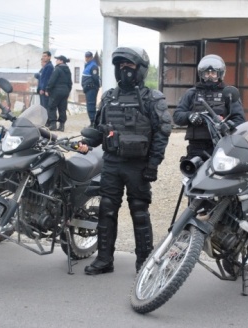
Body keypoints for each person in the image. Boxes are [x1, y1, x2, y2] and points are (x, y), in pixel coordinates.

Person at [76, 46, 172, 275]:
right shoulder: (109, 97)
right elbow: (99, 129)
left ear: (140, 70)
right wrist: (87, 144)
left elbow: (162, 132)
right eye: (121, 66)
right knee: (106, 210)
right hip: (111, 162)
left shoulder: (152, 98)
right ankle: (104, 260)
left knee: (139, 211)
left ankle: (144, 263)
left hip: (138, 165)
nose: (125, 70)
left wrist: (153, 164)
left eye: (130, 66)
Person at [172, 54, 246, 161]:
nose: (210, 76)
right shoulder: (191, 93)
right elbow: (177, 116)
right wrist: (190, 116)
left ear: (220, 74)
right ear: (201, 74)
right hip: (196, 147)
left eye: (213, 73)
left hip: (221, 144)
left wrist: (227, 125)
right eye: (207, 73)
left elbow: (240, 120)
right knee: (191, 175)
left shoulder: (228, 93)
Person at [45, 55, 73, 132]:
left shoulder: (57, 69)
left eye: (57, 59)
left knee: (51, 107)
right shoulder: (68, 70)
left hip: (56, 91)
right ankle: (62, 126)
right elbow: (70, 83)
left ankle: (53, 124)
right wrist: (68, 91)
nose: (56, 61)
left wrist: (48, 89)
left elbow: (52, 80)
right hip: (65, 91)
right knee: (62, 108)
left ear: (61, 61)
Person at [82, 51, 101, 127]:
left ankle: (93, 122)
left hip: (91, 88)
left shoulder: (93, 66)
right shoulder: (88, 65)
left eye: (88, 57)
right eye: (86, 57)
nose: (86, 58)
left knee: (91, 105)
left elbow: (95, 78)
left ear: (91, 57)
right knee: (89, 105)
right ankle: (92, 121)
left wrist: (95, 86)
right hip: (88, 88)